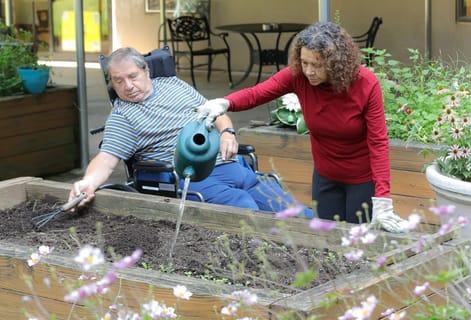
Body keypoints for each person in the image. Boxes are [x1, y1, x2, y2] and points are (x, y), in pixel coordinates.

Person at [197, 21, 407, 232]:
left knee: (358, 245)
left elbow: (378, 143)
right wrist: (225, 103)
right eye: (304, 62)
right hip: (325, 179)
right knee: (326, 243)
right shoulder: (299, 77)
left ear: (336, 63)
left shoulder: (366, 84)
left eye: (317, 65)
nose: (309, 71)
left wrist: (382, 199)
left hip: (361, 182)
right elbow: (257, 93)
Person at [68, 47, 312, 216]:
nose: (128, 86)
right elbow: (106, 160)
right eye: (118, 81)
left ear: (146, 71)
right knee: (246, 209)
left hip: (235, 167)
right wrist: (88, 182)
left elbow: (215, 112)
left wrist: (227, 132)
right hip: (193, 177)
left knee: (298, 215)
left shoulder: (174, 85)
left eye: (132, 76)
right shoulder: (123, 116)